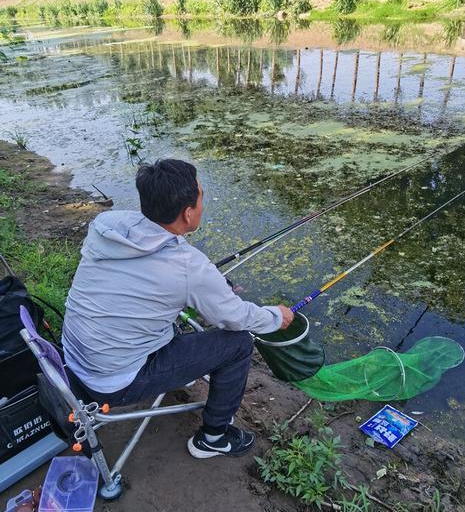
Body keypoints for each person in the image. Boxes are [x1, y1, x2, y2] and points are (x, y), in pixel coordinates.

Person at [62, 158, 294, 459]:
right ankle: (213, 436)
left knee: (187, 308)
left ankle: (182, 383)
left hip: (74, 361)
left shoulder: (108, 228)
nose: (201, 203)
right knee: (238, 343)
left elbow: (153, 282)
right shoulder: (188, 266)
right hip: (112, 383)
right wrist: (277, 317)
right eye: (200, 197)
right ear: (188, 213)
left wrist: (212, 287)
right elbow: (236, 318)